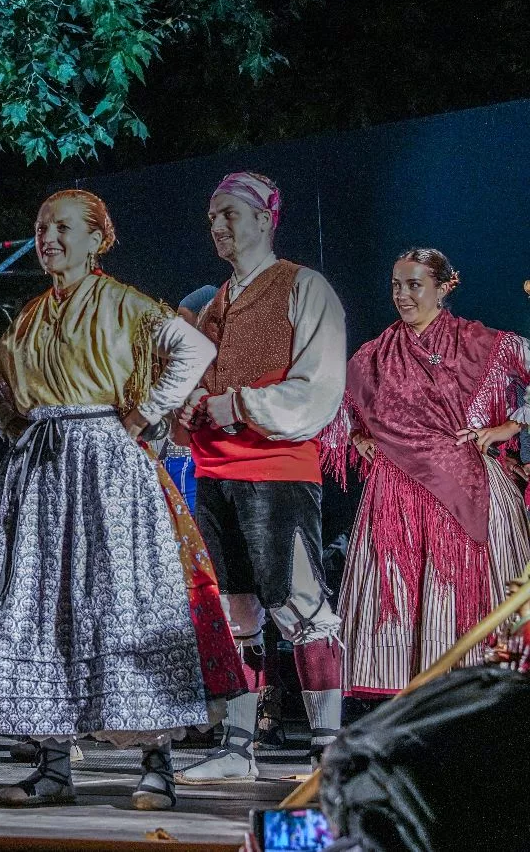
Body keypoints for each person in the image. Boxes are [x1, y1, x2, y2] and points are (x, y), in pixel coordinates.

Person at [0, 190, 240, 810]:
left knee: (123, 602)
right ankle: (54, 768)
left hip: (106, 464)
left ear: (96, 238)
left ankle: (156, 764)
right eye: (40, 228)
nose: (48, 238)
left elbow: (195, 351)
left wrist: (145, 412)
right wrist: (12, 427)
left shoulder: (124, 303)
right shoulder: (32, 314)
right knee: (41, 607)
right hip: (40, 474)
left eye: (62, 228)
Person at [176, 172, 348, 784]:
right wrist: (192, 407)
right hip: (215, 471)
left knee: (300, 606)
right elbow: (187, 390)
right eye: (213, 216)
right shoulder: (212, 305)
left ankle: (329, 750)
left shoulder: (304, 287)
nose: (219, 225)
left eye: (230, 214)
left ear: (266, 217)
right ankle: (237, 745)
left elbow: (320, 385)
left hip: (276, 470)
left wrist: (242, 403)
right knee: (235, 609)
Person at [327, 249, 530, 697]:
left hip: (466, 484)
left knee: (458, 595)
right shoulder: (375, 355)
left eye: (414, 285)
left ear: (443, 288)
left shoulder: (479, 342)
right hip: (396, 492)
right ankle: (408, 713)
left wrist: (507, 427)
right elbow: (337, 409)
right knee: (401, 596)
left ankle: (477, 704)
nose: (402, 295)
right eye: (396, 285)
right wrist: (362, 439)